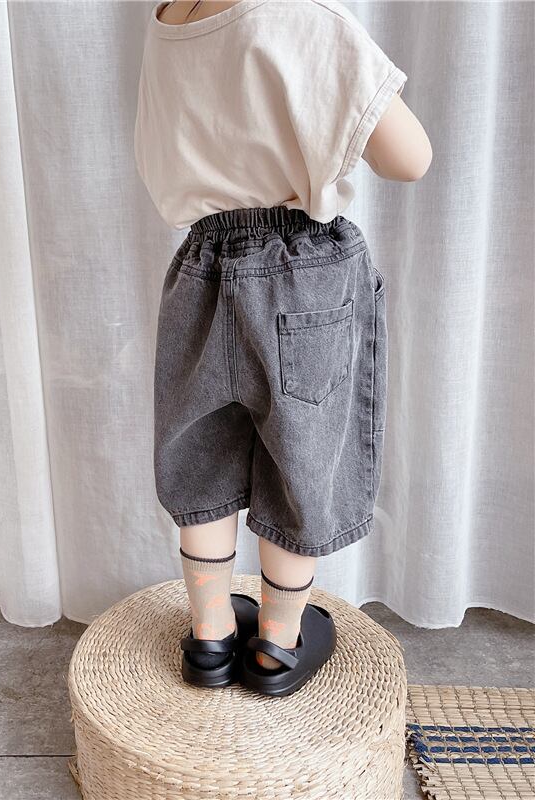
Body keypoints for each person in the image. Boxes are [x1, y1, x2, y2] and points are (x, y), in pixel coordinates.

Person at [133, 0, 431, 696]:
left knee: (200, 453)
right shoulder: (306, 17)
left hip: (200, 267)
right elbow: (410, 158)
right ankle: (276, 646)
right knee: (301, 457)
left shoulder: (169, 20)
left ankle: (210, 639)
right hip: (304, 271)